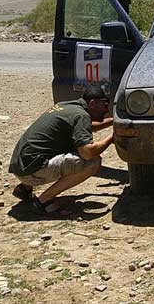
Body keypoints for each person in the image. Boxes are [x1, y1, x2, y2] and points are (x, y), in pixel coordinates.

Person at [9, 84, 114, 215]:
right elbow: (87, 153)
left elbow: (87, 127)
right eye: (105, 105)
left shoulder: (68, 107)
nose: (106, 110)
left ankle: (24, 189)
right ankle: (43, 201)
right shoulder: (81, 116)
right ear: (92, 103)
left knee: (57, 143)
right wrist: (111, 139)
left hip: (20, 165)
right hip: (31, 171)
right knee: (93, 162)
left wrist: (113, 121)